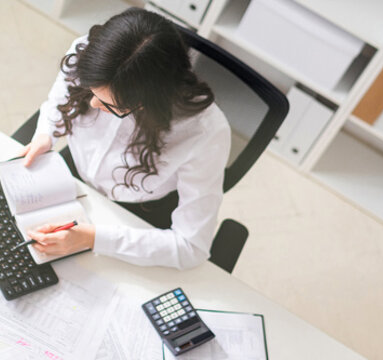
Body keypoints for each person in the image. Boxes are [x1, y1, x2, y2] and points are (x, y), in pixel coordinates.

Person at [16, 8, 230, 270]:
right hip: (75, 172)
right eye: (90, 90)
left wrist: (92, 239)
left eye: (111, 105)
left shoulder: (205, 132)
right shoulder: (87, 52)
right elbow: (58, 103)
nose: (93, 104)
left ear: (150, 101)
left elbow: (191, 247)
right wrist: (45, 134)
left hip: (137, 206)